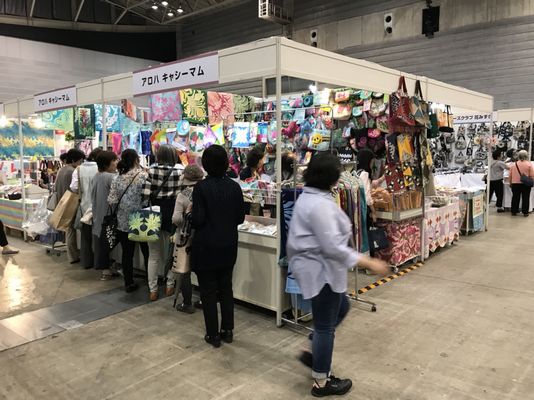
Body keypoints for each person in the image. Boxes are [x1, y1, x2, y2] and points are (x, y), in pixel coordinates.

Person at [286, 153, 389, 397]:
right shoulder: (319, 205)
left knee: (341, 307)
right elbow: (332, 247)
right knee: (325, 326)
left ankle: (314, 349)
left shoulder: (311, 196)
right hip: (321, 272)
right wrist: (368, 261)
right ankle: (321, 382)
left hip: (318, 269)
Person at [191, 145, 245, 348]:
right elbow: (240, 218)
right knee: (226, 288)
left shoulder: (201, 188)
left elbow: (198, 219)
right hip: (229, 244)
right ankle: (227, 330)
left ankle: (213, 334)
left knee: (208, 291)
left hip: (206, 246)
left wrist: (190, 215)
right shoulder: (234, 187)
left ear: (205, 164)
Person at [142, 144, 183, 301]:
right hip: (173, 211)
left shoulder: (151, 170)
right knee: (172, 251)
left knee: (153, 254)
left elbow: (145, 195)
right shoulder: (181, 170)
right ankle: (169, 285)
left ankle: (153, 290)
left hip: (154, 210)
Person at [108, 149, 147, 293]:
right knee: (146, 251)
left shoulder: (117, 178)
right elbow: (147, 198)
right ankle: (151, 281)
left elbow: (112, 200)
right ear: (136, 160)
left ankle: (128, 283)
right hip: (141, 218)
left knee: (127, 253)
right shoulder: (143, 176)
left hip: (123, 219)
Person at [172, 164, 204, 314]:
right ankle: (203, 299)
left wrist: (186, 218)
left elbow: (176, 219)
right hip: (202, 236)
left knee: (184, 270)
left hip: (185, 237)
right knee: (202, 270)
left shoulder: (182, 195)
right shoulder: (205, 192)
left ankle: (187, 303)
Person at [70, 148, 102, 268]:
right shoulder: (100, 169)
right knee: (98, 236)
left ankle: (86, 262)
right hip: (98, 205)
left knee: (86, 236)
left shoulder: (78, 169)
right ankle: (99, 262)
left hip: (84, 205)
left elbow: (73, 187)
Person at [91, 151, 119, 280]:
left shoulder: (97, 176)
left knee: (103, 242)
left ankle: (106, 269)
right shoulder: (110, 177)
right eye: (114, 160)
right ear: (107, 163)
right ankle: (106, 271)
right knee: (108, 242)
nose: (116, 163)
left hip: (98, 213)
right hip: (108, 214)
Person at [55, 148, 85, 264]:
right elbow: (75, 189)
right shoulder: (72, 171)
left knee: (69, 229)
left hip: (62, 202)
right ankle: (73, 256)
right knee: (71, 230)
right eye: (80, 161)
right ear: (73, 160)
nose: (81, 164)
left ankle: (73, 255)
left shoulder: (61, 170)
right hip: (70, 203)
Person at [508, 150, 534, 217]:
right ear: (526, 156)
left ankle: (514, 211)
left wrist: (510, 182)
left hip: (515, 183)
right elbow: (532, 175)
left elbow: (510, 175)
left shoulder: (514, 165)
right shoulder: (529, 164)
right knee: (526, 198)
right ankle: (525, 212)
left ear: (518, 156)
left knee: (515, 197)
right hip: (526, 184)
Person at [356, 148, 377, 223]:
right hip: (364, 210)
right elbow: (367, 197)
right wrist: (373, 211)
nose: (372, 164)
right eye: (372, 161)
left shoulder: (356, 172)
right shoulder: (364, 174)